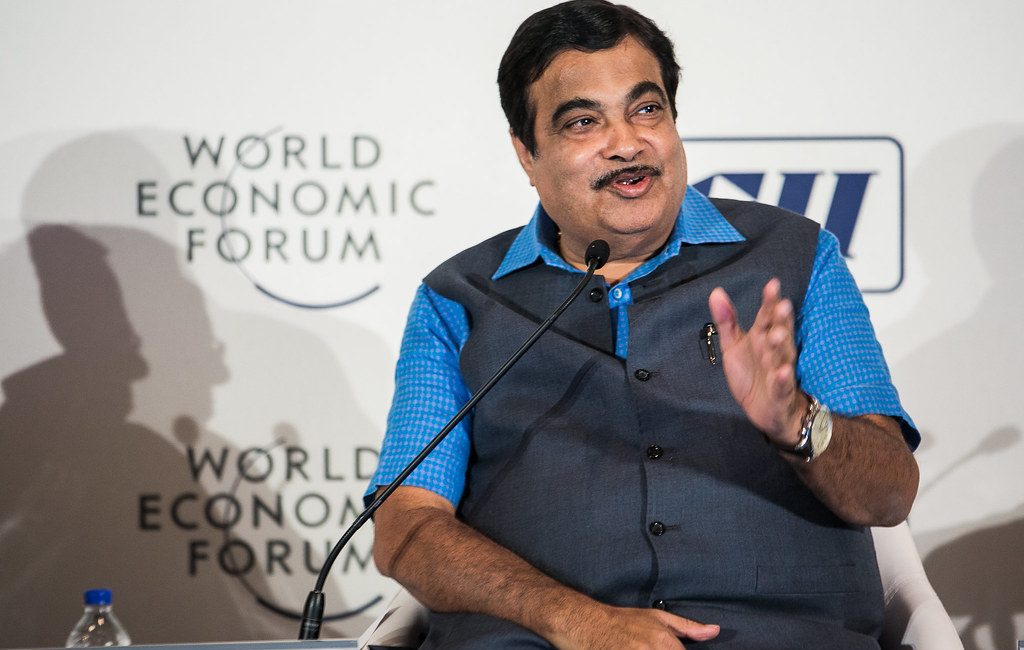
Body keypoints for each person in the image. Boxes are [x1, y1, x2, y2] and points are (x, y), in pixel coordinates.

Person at [366, 1, 920, 648]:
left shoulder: (795, 258)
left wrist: (796, 420)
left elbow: (889, 496)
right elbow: (405, 528)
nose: (627, 143)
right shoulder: (458, 299)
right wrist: (576, 621)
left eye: (647, 109)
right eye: (583, 122)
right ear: (527, 153)